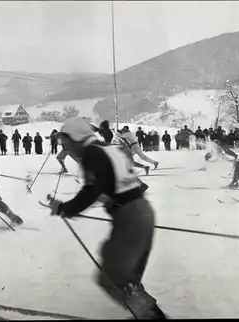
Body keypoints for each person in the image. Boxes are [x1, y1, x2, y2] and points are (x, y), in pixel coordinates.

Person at [46, 117, 166, 319]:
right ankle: (148, 314)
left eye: (65, 142)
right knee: (126, 275)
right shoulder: (107, 149)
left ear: (76, 138)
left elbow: (91, 190)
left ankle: (151, 317)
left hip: (130, 218)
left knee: (112, 277)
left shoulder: (93, 154)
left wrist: (65, 209)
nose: (65, 146)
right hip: (141, 212)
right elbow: (115, 184)